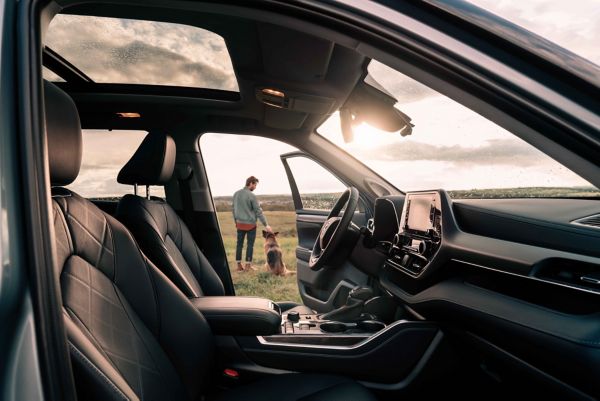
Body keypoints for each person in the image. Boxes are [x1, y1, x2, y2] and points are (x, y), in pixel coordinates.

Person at [233, 176, 272, 271]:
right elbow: (258, 212)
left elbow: (233, 210)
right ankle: (247, 266)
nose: (255, 187)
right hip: (250, 225)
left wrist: (236, 222)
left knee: (239, 244)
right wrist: (266, 225)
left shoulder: (236, 194)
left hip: (239, 224)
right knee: (250, 245)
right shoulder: (252, 196)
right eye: (255, 185)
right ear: (250, 183)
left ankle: (239, 266)